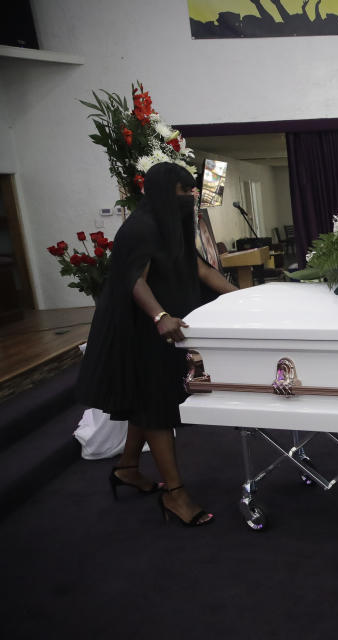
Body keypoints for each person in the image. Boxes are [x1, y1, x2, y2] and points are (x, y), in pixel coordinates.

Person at [76, 162, 239, 526]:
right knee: (157, 407)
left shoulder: (171, 226)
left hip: (170, 332)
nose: (190, 200)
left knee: (147, 402)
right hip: (143, 331)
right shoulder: (141, 227)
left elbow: (201, 270)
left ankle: (128, 468)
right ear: (169, 193)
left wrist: (243, 298)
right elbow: (135, 279)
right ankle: (174, 494)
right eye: (185, 194)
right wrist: (159, 316)